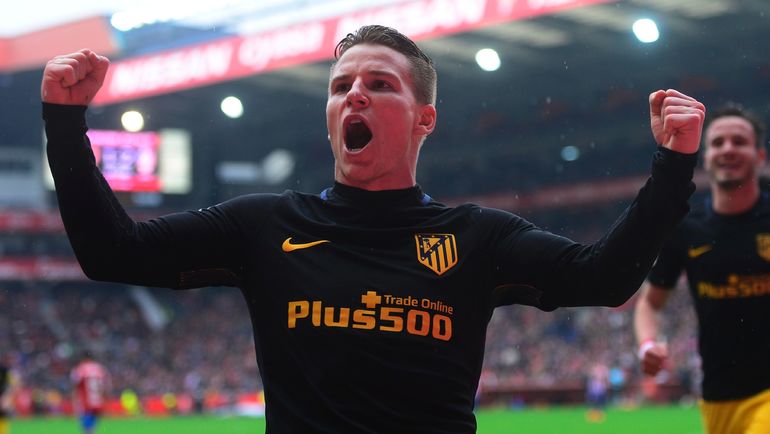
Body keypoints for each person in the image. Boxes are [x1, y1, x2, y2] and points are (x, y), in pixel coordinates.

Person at [41, 25, 705, 433]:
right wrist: (65, 126)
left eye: (380, 84)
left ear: (424, 119)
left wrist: (674, 167)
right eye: (340, 87)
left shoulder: (478, 237)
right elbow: (112, 253)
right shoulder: (265, 224)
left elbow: (605, 278)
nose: (353, 94)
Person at [634, 104, 770, 433]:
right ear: (705, 158)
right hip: (719, 398)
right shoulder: (686, 229)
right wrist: (648, 344)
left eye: (739, 141)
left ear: (760, 156)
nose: (728, 149)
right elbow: (650, 303)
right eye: (718, 142)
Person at [71, 354, 110, 434]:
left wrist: (74, 397)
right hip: (98, 401)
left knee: (87, 428)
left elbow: (75, 383)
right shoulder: (99, 368)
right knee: (93, 426)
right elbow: (106, 385)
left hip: (85, 402)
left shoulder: (81, 368)